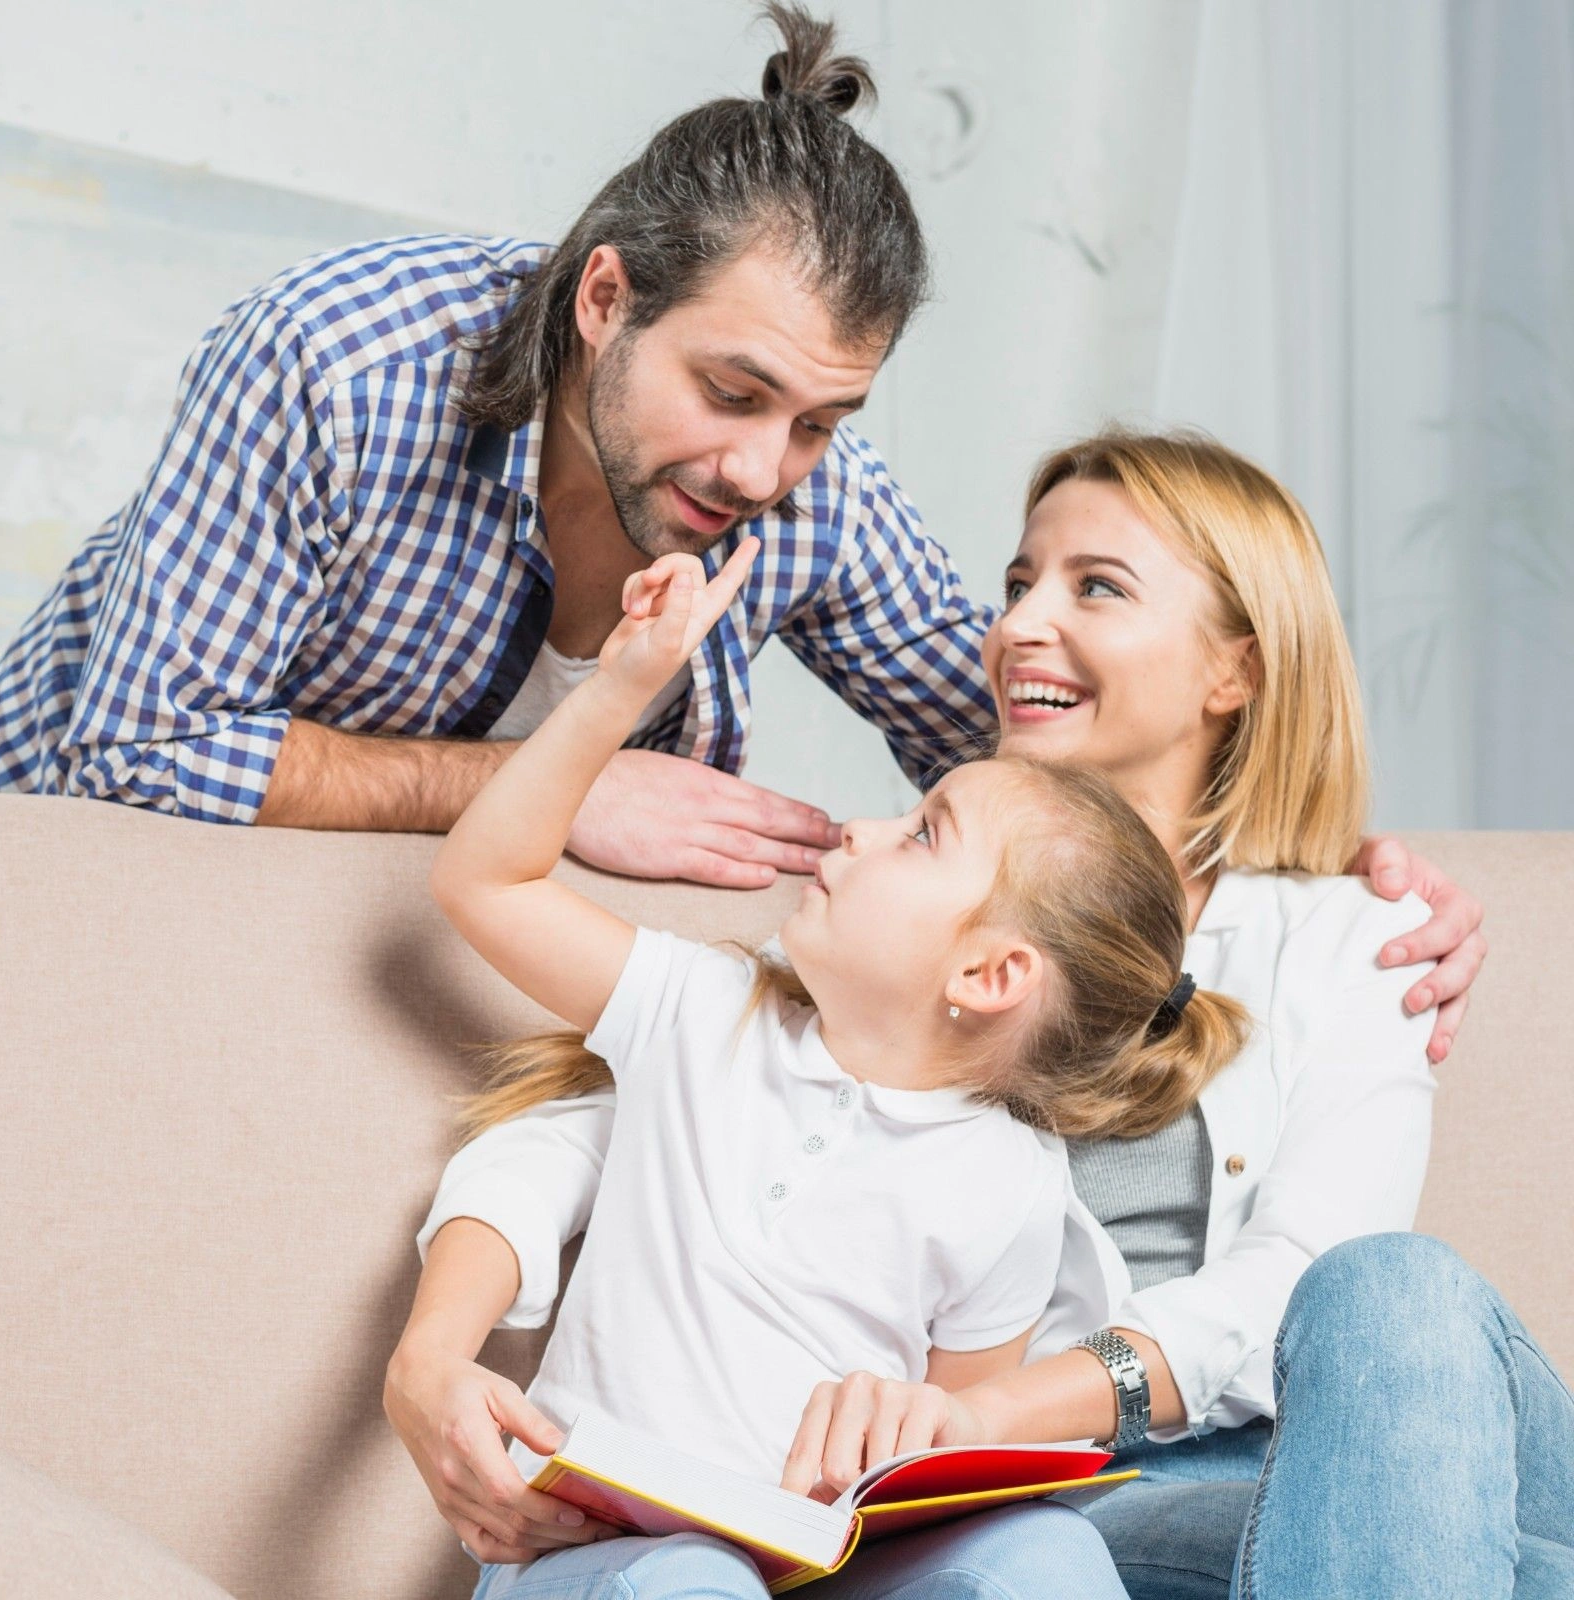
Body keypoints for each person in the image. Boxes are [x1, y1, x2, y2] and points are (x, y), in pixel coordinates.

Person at [383, 431, 1539, 1598]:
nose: (1019, 624)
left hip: (1304, 1468)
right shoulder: (886, 917)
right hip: (1069, 1502)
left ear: (1231, 671)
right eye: (1017, 583)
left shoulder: (1357, 933)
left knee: (1400, 1298)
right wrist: (430, 1358)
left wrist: (973, 1408)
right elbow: (626, 1120)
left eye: (1095, 586)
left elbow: (1307, 1287)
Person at [410, 531, 1252, 1598]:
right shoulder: (697, 1012)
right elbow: (484, 883)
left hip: (813, 1571)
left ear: (990, 975)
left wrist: (908, 1454)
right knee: (686, 1582)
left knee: (1049, 1553)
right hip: (598, 1553)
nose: (860, 829)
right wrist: (620, 689)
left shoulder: (1010, 1182)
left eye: (920, 835)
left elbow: (954, 1456)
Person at [0, 5, 986, 889]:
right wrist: (558, 781)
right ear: (604, 299)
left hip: (405, 967)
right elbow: (141, 753)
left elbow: (999, 746)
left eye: (819, 422)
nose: (763, 471)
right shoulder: (337, 369)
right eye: (730, 393)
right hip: (55, 894)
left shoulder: (817, 493)